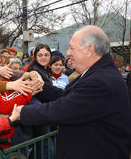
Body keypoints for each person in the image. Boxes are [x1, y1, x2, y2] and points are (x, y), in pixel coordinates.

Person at [15, 25, 131, 159]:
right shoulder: (96, 73)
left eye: (72, 48)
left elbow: (63, 109)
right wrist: (41, 85)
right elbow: (68, 97)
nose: (68, 53)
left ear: (89, 50)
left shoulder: (101, 81)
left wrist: (22, 112)